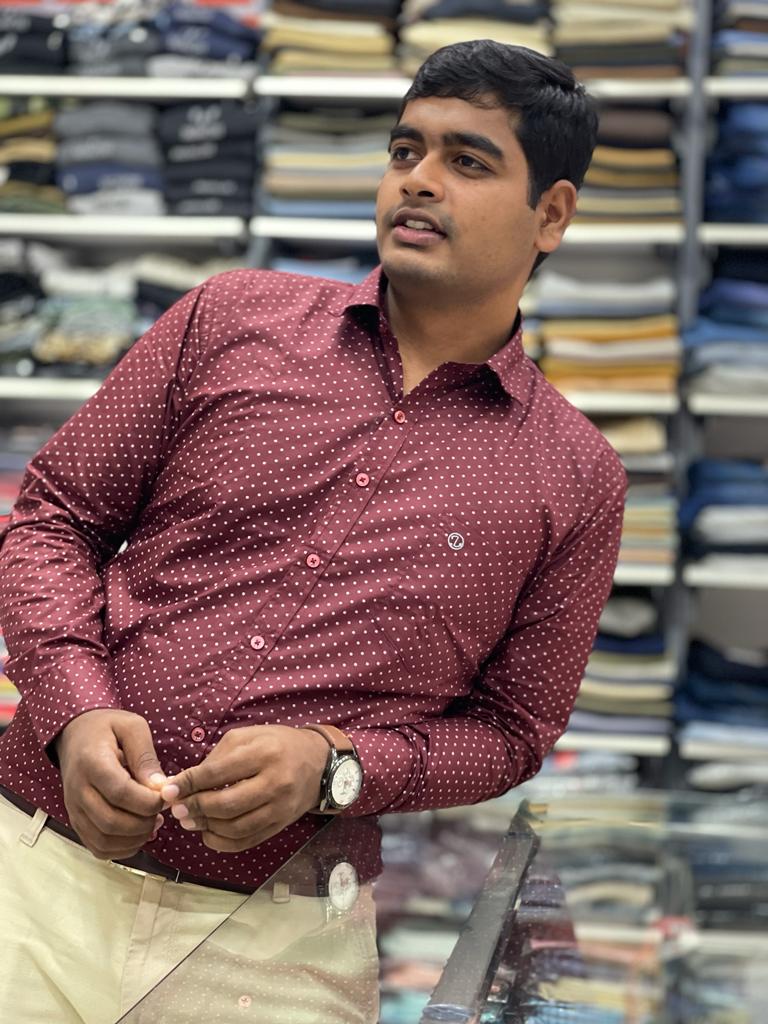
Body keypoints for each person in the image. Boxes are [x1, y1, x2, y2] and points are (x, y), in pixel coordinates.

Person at [0, 38, 626, 1021]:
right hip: (36, 876)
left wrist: (335, 765)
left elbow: (511, 734)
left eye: (468, 161)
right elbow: (54, 517)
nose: (419, 180)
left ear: (551, 213)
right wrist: (75, 707)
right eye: (406, 150)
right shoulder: (231, 319)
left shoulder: (576, 478)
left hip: (281, 945)